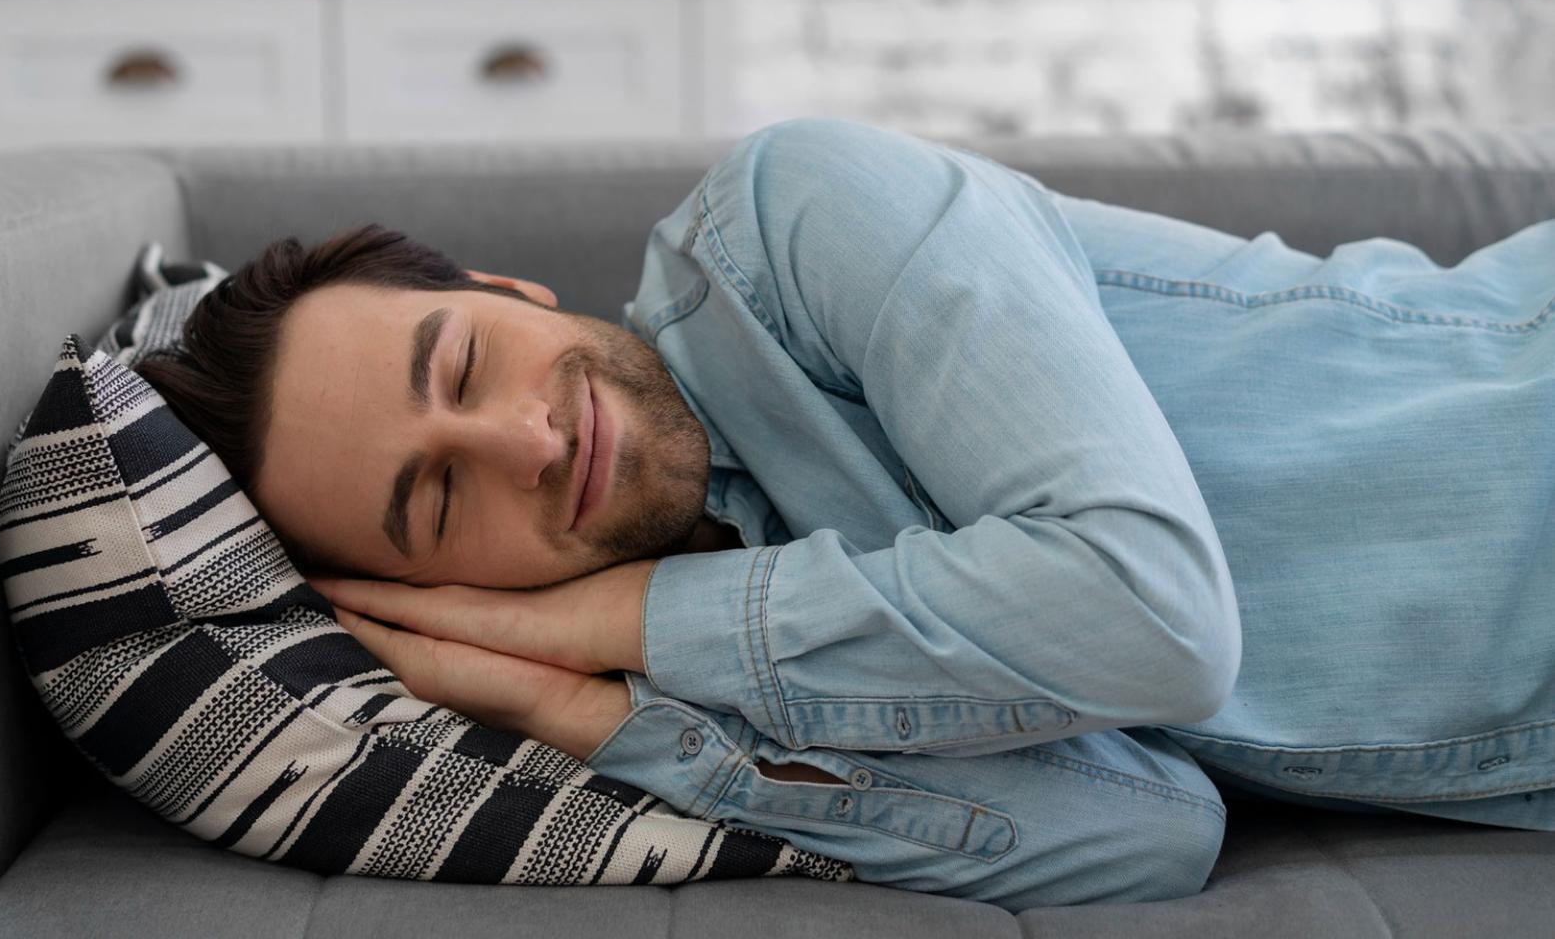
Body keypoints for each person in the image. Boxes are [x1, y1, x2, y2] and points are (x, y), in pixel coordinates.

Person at [137, 116, 1555, 910]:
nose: (526, 438)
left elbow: (1156, 620)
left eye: (460, 366)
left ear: (506, 290)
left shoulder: (797, 217)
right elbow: (1149, 834)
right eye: (440, 500)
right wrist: (583, 707)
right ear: (448, 593)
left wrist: (631, 617)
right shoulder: (706, 671)